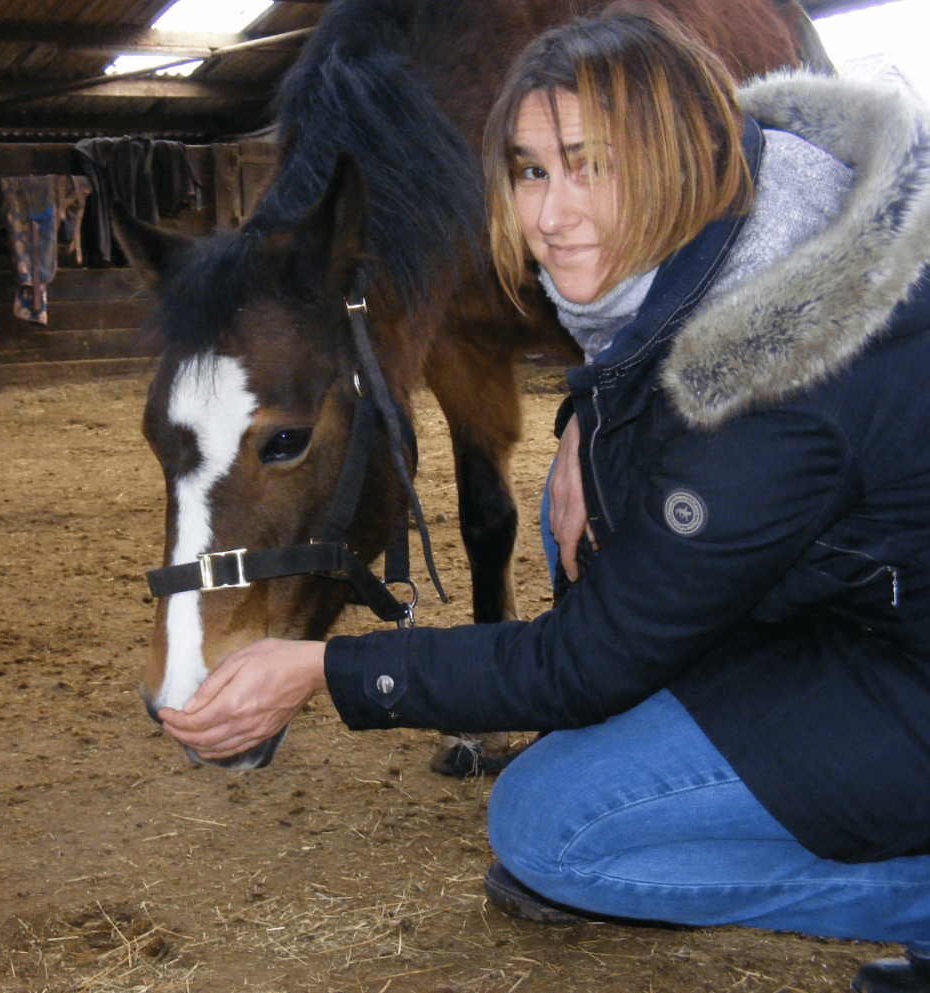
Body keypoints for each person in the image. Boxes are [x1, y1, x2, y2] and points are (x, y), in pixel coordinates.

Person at [160, 4, 930, 985]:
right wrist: (584, 418)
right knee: (596, 586)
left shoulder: (776, 378)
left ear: (674, 152)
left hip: (895, 666)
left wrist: (324, 672)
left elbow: (588, 661)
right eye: (528, 169)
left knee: (554, 831)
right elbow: (659, 350)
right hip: (855, 615)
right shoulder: (763, 219)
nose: (547, 217)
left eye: (588, 163)